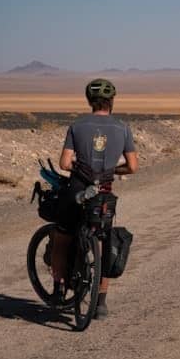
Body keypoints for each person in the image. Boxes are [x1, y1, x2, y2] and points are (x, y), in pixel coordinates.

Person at [51, 78, 138, 320]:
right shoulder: (123, 128)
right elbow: (132, 167)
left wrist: (82, 168)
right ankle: (100, 303)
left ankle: (58, 289)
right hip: (104, 195)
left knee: (62, 237)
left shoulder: (77, 126)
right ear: (111, 101)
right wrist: (112, 171)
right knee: (104, 240)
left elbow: (64, 163)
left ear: (89, 101)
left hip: (78, 190)